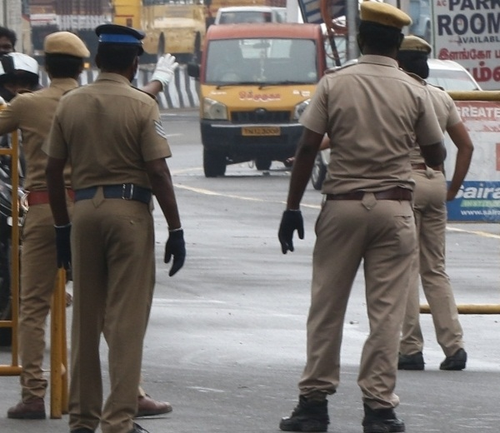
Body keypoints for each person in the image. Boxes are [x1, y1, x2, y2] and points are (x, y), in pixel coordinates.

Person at [277, 2, 446, 432]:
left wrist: (292, 207)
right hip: (395, 209)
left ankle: (313, 404)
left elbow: (308, 149)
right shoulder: (415, 89)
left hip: (342, 207)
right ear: (397, 44)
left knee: (327, 308)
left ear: (360, 39)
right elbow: (435, 153)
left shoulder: (335, 83)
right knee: (387, 313)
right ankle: (379, 409)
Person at [0, 32, 178, 421]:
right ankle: (130, 396)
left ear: (46, 67)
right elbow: (139, 106)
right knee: (116, 310)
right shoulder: (101, 99)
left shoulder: (30, 105)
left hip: (51, 211)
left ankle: (36, 394)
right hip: (98, 205)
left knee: (34, 306)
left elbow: (42, 159)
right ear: (84, 65)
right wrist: (177, 230)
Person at [45, 24, 186, 433]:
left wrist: (60, 226)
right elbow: (158, 172)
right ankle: (119, 419)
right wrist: (175, 228)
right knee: (126, 322)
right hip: (129, 213)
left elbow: (54, 171)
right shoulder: (143, 105)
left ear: (99, 61)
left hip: (84, 211)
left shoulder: (70, 103)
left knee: (85, 320)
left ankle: (83, 419)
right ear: (133, 63)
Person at [396, 35, 473, 371]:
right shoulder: (441, 97)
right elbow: (466, 146)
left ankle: (411, 348)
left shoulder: (396, 94)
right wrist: (452, 188)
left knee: (405, 270)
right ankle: (454, 346)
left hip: (406, 184)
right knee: (436, 269)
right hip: (435, 184)